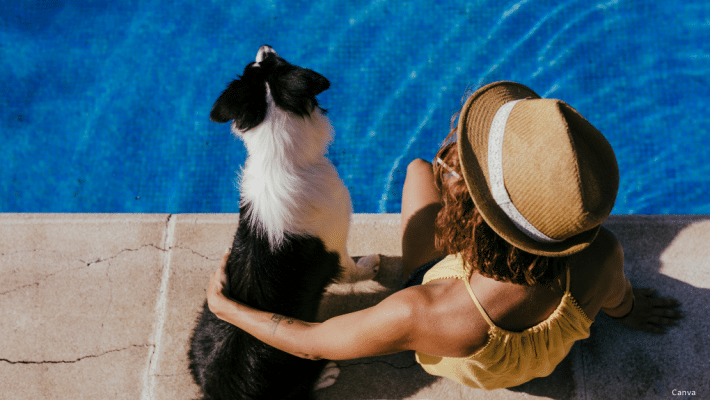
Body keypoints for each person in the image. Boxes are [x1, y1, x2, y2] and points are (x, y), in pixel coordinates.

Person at [205, 81, 683, 390]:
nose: (456, 154)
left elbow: (312, 341)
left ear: (470, 223)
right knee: (428, 171)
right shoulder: (601, 254)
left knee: (417, 171)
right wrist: (634, 310)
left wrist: (226, 307)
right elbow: (621, 300)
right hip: (536, 357)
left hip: (461, 323)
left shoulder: (424, 312)